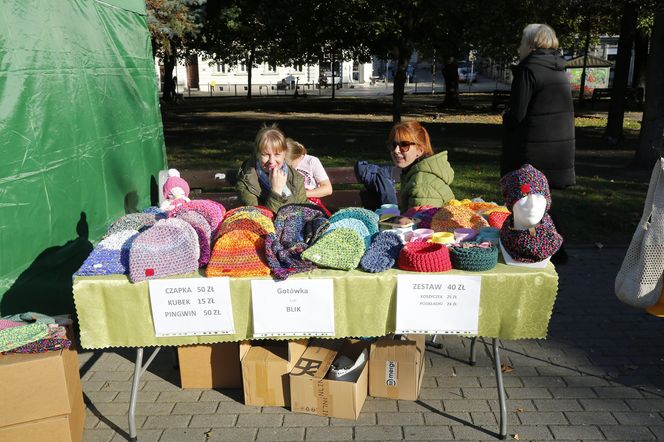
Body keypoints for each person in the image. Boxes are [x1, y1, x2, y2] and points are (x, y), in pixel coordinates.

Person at [501, 24, 575, 263]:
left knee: (526, 204)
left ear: (531, 44)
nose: (519, 46)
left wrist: (506, 117)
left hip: (532, 148)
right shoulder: (559, 68)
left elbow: (518, 114)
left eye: (522, 41)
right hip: (559, 149)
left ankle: (530, 248)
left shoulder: (529, 70)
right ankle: (555, 249)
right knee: (544, 201)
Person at [236, 124, 308, 213]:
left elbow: (304, 211)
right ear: (257, 154)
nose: (271, 161)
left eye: (277, 154)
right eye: (265, 155)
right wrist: (276, 191)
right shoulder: (247, 182)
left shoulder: (296, 178)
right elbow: (261, 220)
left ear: (284, 153)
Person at [388, 121, 455, 210]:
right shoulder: (414, 174)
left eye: (404, 145)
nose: (396, 150)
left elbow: (421, 221)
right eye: (393, 145)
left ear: (420, 150)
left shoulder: (421, 184)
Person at [285, 138, 333, 215]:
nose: (286, 167)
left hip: (309, 202)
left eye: (289, 165)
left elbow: (327, 189)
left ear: (299, 157)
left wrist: (302, 194)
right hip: (288, 203)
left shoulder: (311, 161)